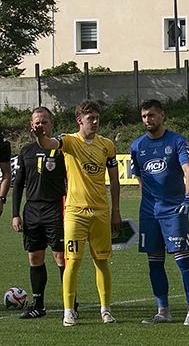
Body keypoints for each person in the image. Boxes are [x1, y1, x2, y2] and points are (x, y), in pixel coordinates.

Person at [31, 99, 121, 326]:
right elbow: (48, 143)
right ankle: (68, 311)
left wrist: (116, 211)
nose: (95, 121)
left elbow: (114, 179)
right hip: (75, 212)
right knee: (72, 262)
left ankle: (106, 310)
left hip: (101, 212)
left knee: (101, 262)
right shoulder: (69, 141)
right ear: (79, 120)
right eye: (91, 118)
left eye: (97, 117)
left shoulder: (107, 145)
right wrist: (39, 136)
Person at [130, 99, 189, 326]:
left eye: (151, 115)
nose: (147, 120)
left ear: (162, 115)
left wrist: (188, 197)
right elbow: (140, 178)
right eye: (143, 117)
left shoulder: (177, 141)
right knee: (154, 264)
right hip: (149, 213)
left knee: (183, 261)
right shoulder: (136, 146)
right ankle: (163, 311)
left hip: (174, 210)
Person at [11, 107, 66, 319]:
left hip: (55, 208)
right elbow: (18, 185)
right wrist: (15, 214)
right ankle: (38, 305)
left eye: (44, 121)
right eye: (36, 122)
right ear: (31, 125)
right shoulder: (25, 151)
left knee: (60, 257)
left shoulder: (61, 150)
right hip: (32, 210)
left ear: (51, 123)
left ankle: (70, 304)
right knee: (34, 257)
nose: (40, 125)